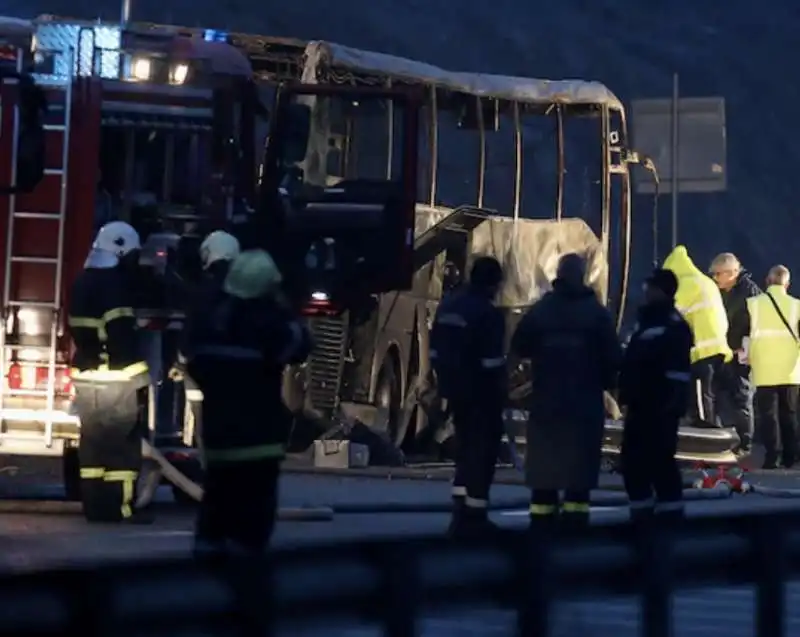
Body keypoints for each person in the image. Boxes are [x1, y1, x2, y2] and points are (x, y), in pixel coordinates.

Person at [185, 249, 312, 557]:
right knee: (251, 535)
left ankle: (205, 585)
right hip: (259, 448)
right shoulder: (269, 327)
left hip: (218, 445)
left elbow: (193, 361)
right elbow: (302, 345)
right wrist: (284, 309)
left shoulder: (209, 325)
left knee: (213, 522)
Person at [511, 253, 621, 531]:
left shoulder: (542, 310)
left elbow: (519, 345)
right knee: (579, 470)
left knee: (545, 469)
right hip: (584, 406)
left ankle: (541, 524)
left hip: (547, 403)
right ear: (583, 276)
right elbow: (613, 362)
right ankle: (575, 525)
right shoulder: (598, 315)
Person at [67, 221, 152, 524]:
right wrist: (142, 377)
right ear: (120, 250)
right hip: (117, 381)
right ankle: (121, 509)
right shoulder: (114, 287)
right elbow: (121, 337)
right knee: (121, 451)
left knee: (92, 447)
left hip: (86, 379)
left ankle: (94, 508)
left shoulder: (82, 282)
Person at [430, 255, 507, 537]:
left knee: (464, 452)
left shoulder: (449, 305)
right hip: (480, 395)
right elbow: (492, 364)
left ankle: (460, 511)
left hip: (454, 390)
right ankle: (475, 515)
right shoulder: (488, 314)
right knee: (482, 453)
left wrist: (445, 384)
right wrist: (501, 393)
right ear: (492, 284)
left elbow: (435, 350)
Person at [618, 269, 693, 525]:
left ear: (661, 290)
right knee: (632, 461)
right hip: (640, 403)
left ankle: (669, 517)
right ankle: (642, 515)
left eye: (650, 287)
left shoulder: (672, 325)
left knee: (660, 460)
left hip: (659, 406)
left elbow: (676, 372)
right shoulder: (646, 322)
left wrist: (670, 405)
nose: (645, 292)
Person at [170, 230, 242, 450]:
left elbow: (191, 329)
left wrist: (180, 362)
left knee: (207, 431)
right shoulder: (248, 292)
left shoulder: (204, 292)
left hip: (207, 374)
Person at [663, 245, 732, 427]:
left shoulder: (687, 283)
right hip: (717, 346)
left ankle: (705, 430)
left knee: (701, 393)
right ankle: (709, 423)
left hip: (704, 348)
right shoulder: (704, 281)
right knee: (709, 392)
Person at [744, 265, 800, 469]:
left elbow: (744, 332)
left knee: (769, 415)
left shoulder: (753, 304)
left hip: (764, 367)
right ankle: (791, 456)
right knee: (790, 414)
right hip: (791, 370)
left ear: (767, 281)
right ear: (788, 284)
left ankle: (772, 457)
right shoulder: (796, 306)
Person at [709, 252, 761, 454]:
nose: (714, 278)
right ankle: (720, 442)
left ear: (731, 273)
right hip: (723, 351)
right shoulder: (719, 291)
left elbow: (757, 324)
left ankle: (745, 444)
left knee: (742, 398)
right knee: (717, 395)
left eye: (718, 274)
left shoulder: (750, 292)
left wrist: (746, 346)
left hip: (741, 354)